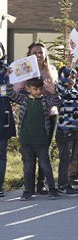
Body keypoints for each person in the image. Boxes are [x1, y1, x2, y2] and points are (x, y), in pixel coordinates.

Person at [5, 77, 61, 200]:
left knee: (45, 165)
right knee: (28, 166)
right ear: (28, 89)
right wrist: (11, 77)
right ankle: (28, 190)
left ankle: (52, 189)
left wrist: (53, 91)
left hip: (41, 140)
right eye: (35, 89)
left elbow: (56, 102)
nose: (38, 91)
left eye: (40, 89)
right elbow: (10, 93)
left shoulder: (45, 100)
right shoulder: (24, 99)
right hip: (26, 140)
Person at [54, 63, 78, 197]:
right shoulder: (61, 91)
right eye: (69, 77)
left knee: (69, 158)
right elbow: (62, 83)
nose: (71, 79)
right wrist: (69, 64)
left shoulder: (75, 90)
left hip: (74, 129)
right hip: (64, 131)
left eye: (74, 77)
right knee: (65, 158)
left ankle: (65, 183)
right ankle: (62, 186)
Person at [0, 42, 15, 198]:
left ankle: (0, 185)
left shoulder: (7, 70)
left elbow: (12, 92)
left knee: (1, 153)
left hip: (2, 112)